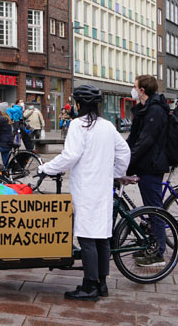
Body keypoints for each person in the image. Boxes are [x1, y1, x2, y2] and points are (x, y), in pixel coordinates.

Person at [38, 85, 130, 301]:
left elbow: (70, 155)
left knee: (88, 238)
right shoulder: (107, 126)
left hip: (87, 189)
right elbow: (124, 151)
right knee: (102, 237)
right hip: (103, 189)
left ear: (78, 104)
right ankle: (102, 284)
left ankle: (90, 286)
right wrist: (116, 173)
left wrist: (45, 168)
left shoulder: (78, 125)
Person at [126, 75, 170, 267]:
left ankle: (158, 253)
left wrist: (128, 160)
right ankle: (151, 245)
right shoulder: (144, 109)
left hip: (152, 165)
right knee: (151, 207)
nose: (133, 89)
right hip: (145, 164)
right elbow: (133, 138)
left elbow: (146, 141)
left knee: (155, 209)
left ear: (142, 90)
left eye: (134, 87)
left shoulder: (155, 110)